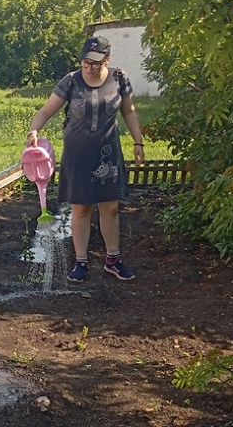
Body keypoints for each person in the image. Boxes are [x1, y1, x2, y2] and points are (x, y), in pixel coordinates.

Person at [26, 36, 145, 283]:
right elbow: (46, 110)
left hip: (108, 153)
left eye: (96, 63)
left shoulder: (119, 79)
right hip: (77, 154)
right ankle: (81, 261)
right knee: (81, 208)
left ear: (107, 60)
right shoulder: (71, 81)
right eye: (85, 62)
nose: (90, 67)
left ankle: (113, 259)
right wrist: (34, 130)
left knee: (110, 207)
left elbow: (129, 112)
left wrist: (138, 142)